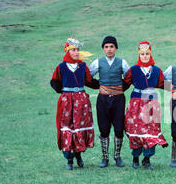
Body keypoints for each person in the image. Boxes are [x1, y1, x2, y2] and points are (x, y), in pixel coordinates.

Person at [50, 37, 99, 170]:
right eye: (74, 50)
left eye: (78, 50)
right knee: (67, 128)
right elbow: (54, 82)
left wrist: (104, 84)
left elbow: (89, 81)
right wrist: (65, 93)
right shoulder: (61, 67)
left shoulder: (82, 66)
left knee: (79, 127)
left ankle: (78, 155)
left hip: (81, 102)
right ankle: (69, 160)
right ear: (68, 51)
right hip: (67, 102)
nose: (76, 52)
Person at [123, 41, 168, 170]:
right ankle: (135, 157)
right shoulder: (133, 69)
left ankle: (147, 159)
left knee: (151, 130)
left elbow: (162, 84)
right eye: (142, 54)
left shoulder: (156, 70)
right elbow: (124, 85)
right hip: (136, 103)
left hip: (152, 104)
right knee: (136, 130)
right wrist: (111, 90)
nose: (145, 56)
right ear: (139, 55)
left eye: (147, 54)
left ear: (150, 54)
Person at [88, 36, 130, 169]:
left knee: (118, 128)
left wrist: (119, 89)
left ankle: (117, 156)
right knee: (104, 128)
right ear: (103, 48)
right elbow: (88, 77)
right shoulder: (97, 62)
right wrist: (100, 86)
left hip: (118, 99)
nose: (109, 49)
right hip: (103, 99)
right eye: (106, 47)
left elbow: (128, 78)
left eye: (111, 46)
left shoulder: (122, 62)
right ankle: (104, 157)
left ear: (116, 48)